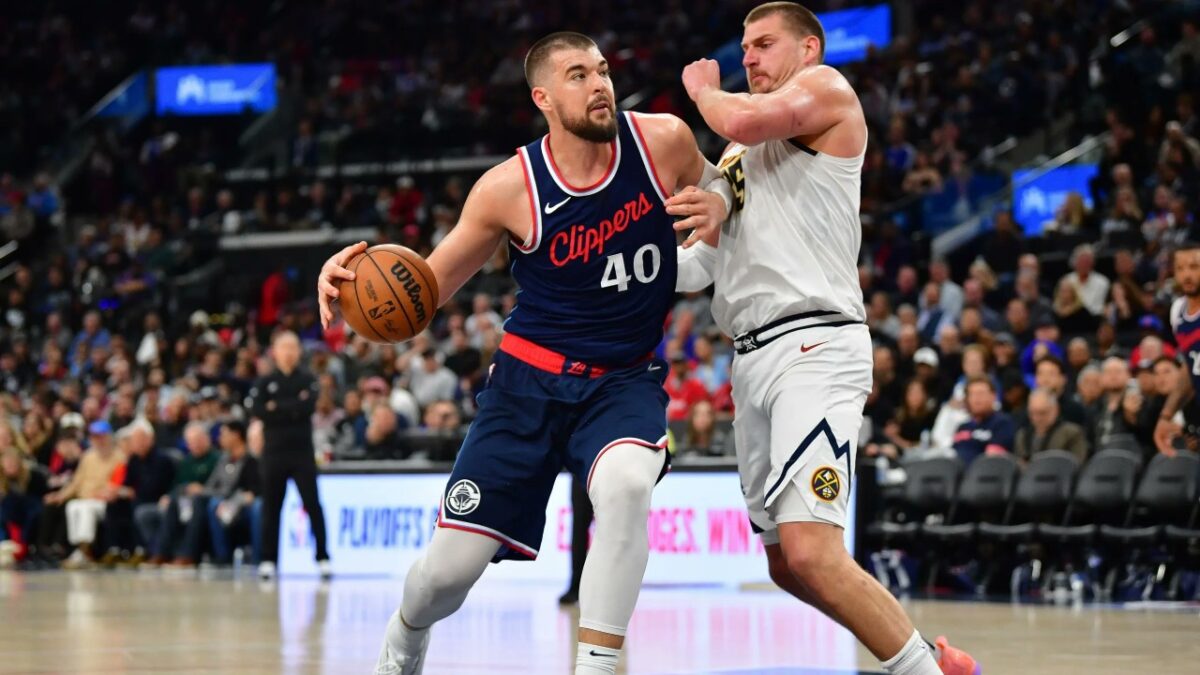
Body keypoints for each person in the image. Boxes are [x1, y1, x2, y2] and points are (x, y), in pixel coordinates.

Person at [316, 31, 731, 675]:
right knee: (445, 577)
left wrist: (722, 203)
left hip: (623, 381)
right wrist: (347, 289)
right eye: (576, 75)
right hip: (526, 388)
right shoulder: (509, 188)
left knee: (625, 485)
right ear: (542, 96)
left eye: (601, 71)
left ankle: (595, 666)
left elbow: (726, 205)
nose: (599, 84)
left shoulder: (664, 142)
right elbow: (424, 289)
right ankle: (405, 634)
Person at [674, 4, 978, 673]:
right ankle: (930, 656)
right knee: (787, 563)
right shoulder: (736, 150)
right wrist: (626, 272)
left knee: (813, 550)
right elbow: (704, 264)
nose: (749, 58)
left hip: (814, 344)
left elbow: (742, 115)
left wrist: (701, 90)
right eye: (745, 47)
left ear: (809, 48)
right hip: (751, 359)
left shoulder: (827, 91)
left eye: (763, 44)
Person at [247, 330, 331, 580]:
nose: (289, 352)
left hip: (302, 453)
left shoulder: (307, 379)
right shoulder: (264, 382)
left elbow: (307, 407)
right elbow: (258, 410)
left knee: (313, 504)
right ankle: (268, 560)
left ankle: (323, 556)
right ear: (275, 351)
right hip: (273, 453)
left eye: (293, 347)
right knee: (271, 508)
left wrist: (278, 408)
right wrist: (290, 407)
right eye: (284, 347)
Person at [100, 418, 174, 566]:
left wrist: (130, 491)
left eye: (139, 439)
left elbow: (155, 487)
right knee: (113, 504)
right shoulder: (134, 459)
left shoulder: (162, 459)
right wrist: (117, 491)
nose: (136, 443)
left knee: (136, 504)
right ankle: (116, 549)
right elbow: (127, 482)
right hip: (135, 496)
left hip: (157, 498)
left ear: (150, 439)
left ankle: (141, 550)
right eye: (133, 440)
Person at [1014, 388, 1090, 463]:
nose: (1037, 418)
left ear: (1055, 410)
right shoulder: (1022, 436)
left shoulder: (1072, 433)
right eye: (1032, 413)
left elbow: (1077, 464)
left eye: (1042, 413)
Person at [953, 377, 1016, 464]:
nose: (977, 398)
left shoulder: (1002, 423)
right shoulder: (963, 427)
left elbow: (993, 460)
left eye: (981, 393)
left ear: (993, 396)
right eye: (972, 394)